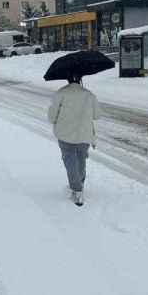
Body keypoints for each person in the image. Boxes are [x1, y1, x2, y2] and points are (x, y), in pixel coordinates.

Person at [47, 73, 100, 206]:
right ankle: (79, 183)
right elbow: (97, 115)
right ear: (80, 79)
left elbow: (51, 118)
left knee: (70, 160)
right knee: (81, 159)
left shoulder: (61, 93)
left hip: (65, 135)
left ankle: (77, 190)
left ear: (68, 79)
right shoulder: (89, 94)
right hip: (84, 135)